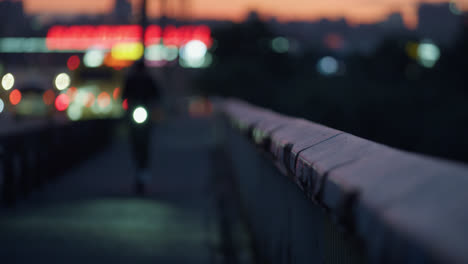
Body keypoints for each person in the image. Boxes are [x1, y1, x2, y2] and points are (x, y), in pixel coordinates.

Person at [122, 60, 161, 194]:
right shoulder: (130, 81)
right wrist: (127, 108)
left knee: (145, 145)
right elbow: (123, 96)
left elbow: (157, 96)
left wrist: (152, 106)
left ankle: (143, 174)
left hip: (146, 114)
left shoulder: (149, 81)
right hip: (134, 114)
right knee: (135, 144)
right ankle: (139, 173)